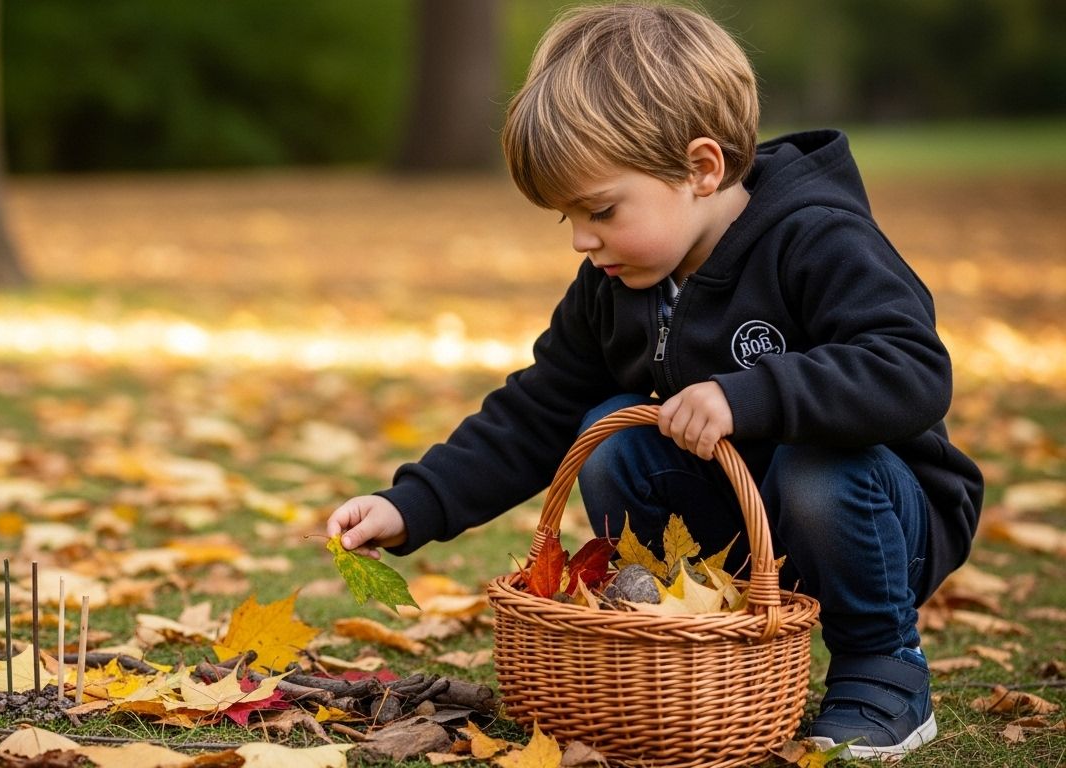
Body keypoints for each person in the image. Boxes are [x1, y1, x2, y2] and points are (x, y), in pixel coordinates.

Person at [325, 2, 983, 758]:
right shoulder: (618, 281)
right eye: (565, 217)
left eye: (600, 209)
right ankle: (690, 641)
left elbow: (912, 368)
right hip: (744, 523)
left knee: (816, 464)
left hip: (878, 516)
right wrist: (413, 503)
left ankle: (882, 668)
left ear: (701, 169)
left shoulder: (814, 236)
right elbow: (538, 409)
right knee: (611, 434)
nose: (581, 238)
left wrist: (751, 395)